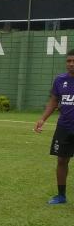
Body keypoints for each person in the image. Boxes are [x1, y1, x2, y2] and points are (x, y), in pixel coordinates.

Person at [34, 48, 74, 204]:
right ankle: (61, 196)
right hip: (64, 127)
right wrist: (42, 119)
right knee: (61, 161)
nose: (71, 64)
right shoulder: (59, 80)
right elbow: (53, 101)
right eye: (68, 61)